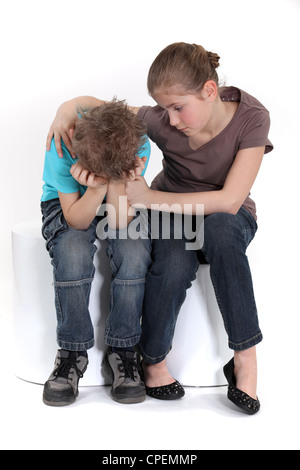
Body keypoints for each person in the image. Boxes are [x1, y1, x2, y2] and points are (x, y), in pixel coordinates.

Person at [46, 42, 273, 414]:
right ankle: (152, 360)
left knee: (221, 231)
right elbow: (99, 107)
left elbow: (229, 200)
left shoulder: (252, 118)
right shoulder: (162, 120)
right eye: (164, 109)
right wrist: (63, 110)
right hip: (173, 215)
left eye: (178, 108)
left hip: (223, 214)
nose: (170, 119)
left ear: (209, 91)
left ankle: (244, 357)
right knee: (170, 266)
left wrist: (147, 198)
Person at [41, 99, 152, 406]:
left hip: (120, 201)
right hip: (68, 202)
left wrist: (113, 181)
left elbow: (119, 220)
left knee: (134, 251)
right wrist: (94, 189)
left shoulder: (137, 147)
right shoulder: (62, 148)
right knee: (72, 252)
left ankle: (123, 349)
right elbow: (76, 220)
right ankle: (71, 352)